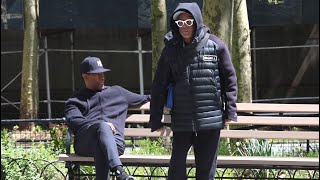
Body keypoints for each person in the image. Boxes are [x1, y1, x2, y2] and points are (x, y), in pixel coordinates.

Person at [149, 2, 237, 180]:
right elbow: (159, 86)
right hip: (182, 120)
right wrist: (155, 119)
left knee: (206, 172)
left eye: (189, 22)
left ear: (197, 21)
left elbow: (230, 79)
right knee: (176, 171)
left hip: (210, 121)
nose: (185, 27)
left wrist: (231, 110)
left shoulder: (216, 46)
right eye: (180, 23)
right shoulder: (170, 50)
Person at [65, 56, 150, 180]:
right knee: (102, 128)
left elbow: (146, 98)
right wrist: (100, 124)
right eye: (96, 74)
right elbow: (74, 121)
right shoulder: (75, 100)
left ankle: (119, 173)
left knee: (101, 146)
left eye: (102, 73)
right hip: (85, 143)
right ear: (85, 76)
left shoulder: (118, 92)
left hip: (115, 143)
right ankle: (120, 172)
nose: (102, 77)